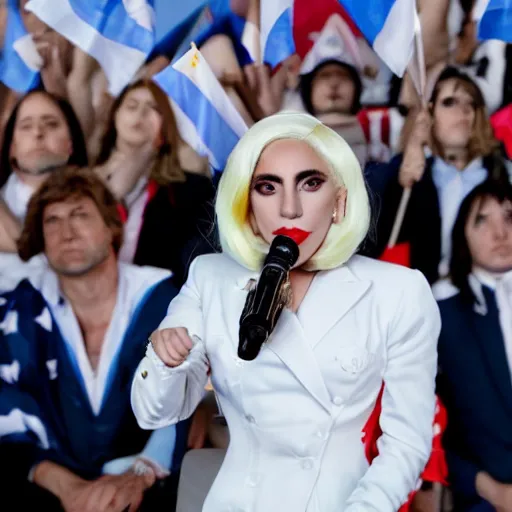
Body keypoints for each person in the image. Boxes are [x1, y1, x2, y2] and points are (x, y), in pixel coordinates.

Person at [131, 111, 441, 511]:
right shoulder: (211, 277)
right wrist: (164, 358)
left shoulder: (397, 291)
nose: (289, 208)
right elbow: (156, 411)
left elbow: (406, 445)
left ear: (339, 201)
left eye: (310, 183)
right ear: (247, 208)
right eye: (267, 187)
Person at [0, 168, 187, 511]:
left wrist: (140, 474)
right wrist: (68, 489)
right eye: (51, 221)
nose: (66, 232)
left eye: (80, 215)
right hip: (49, 492)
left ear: (111, 226)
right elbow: (5, 408)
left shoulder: (165, 299)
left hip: (152, 489)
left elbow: (186, 405)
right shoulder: (22, 308)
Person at [366, 67, 509, 285]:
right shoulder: (409, 172)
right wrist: (401, 170)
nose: (462, 111)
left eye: (471, 103)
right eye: (449, 102)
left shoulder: (503, 174)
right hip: (425, 295)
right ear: (429, 115)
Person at [94, 79, 216, 287]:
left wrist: (148, 153)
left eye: (153, 108)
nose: (140, 114)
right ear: (115, 115)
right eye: (131, 106)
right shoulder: (82, 182)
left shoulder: (192, 190)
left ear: (167, 122)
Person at [436, 180, 512, 511]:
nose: (500, 233)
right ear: (462, 235)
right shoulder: (441, 313)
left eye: (510, 217)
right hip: (488, 498)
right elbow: (427, 426)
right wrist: (492, 491)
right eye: (482, 220)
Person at [0, 89, 89, 291]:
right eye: (26, 126)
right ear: (12, 147)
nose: (38, 133)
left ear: (70, 145)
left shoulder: (97, 202)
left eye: (51, 124)